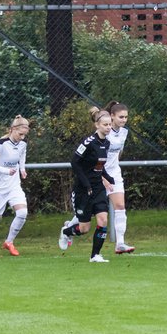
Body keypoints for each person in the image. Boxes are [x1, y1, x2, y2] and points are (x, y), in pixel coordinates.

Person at [60, 109, 116, 263]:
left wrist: (107, 177)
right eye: (105, 125)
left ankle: (95, 255)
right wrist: (85, 184)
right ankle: (66, 231)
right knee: (84, 228)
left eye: (110, 125)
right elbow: (75, 163)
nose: (108, 127)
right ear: (97, 125)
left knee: (103, 220)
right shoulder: (88, 142)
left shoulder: (107, 143)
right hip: (83, 189)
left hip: (98, 187)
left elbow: (98, 165)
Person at [0, 115, 30, 257]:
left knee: (22, 213)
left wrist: (22, 169)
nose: (22, 137)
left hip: (13, 184)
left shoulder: (22, 144)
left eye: (24, 135)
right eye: (20, 134)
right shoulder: (0, 144)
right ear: (12, 129)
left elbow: (22, 155)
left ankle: (9, 242)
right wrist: (6, 171)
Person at [103, 102, 135, 254]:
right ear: (112, 116)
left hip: (114, 173)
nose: (123, 120)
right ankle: (69, 228)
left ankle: (120, 243)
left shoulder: (124, 132)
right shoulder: (104, 132)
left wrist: (113, 167)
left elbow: (118, 153)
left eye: (126, 117)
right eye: (121, 117)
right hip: (98, 173)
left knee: (120, 206)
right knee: (87, 214)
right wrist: (102, 177)